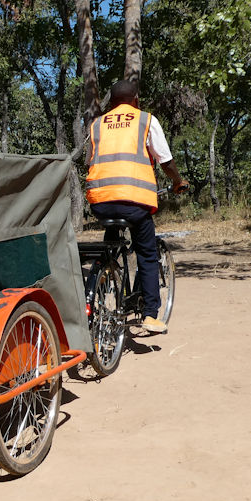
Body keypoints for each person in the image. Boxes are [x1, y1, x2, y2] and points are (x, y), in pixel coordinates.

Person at [86, 79, 187, 334]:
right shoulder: (145, 120)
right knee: (147, 253)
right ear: (136, 100)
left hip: (101, 202)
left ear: (111, 102)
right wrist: (178, 181)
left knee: (112, 246)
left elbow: (91, 161)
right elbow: (165, 160)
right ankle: (150, 314)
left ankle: (108, 274)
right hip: (135, 203)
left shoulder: (97, 125)